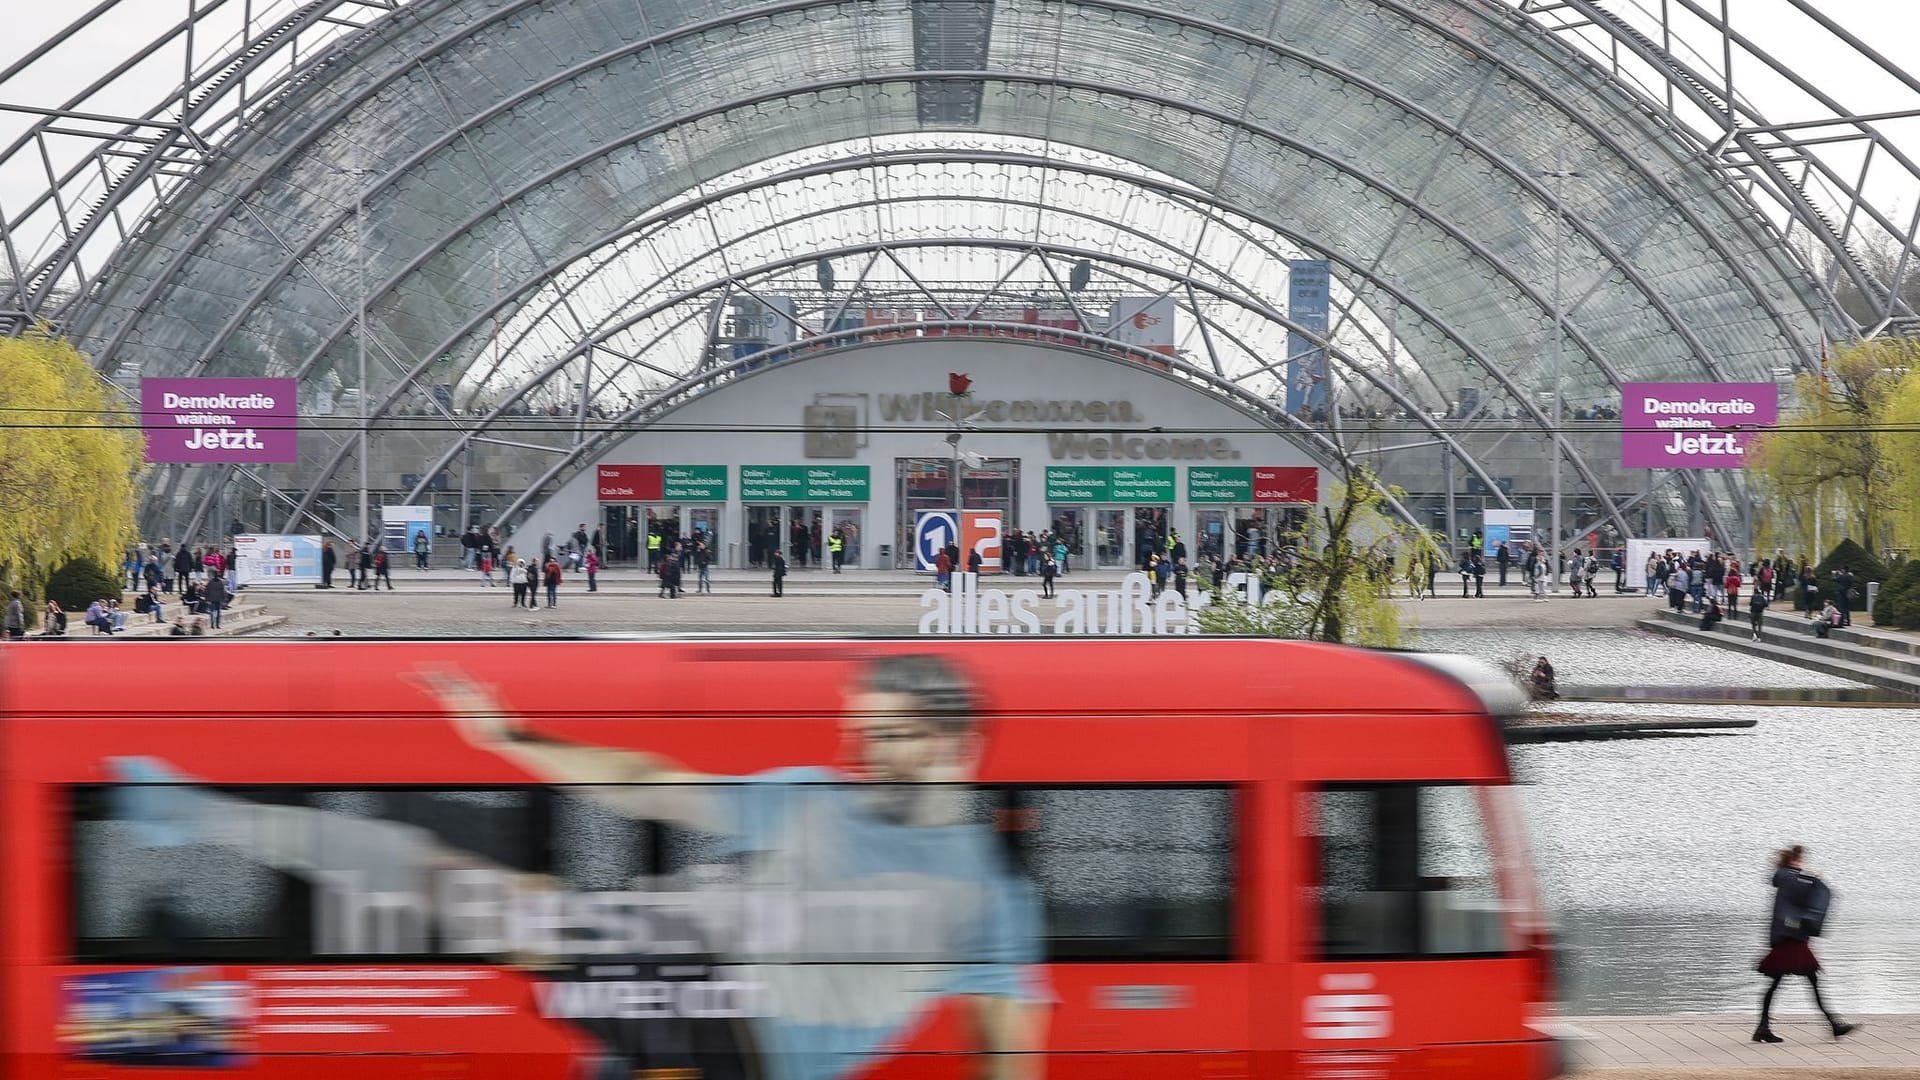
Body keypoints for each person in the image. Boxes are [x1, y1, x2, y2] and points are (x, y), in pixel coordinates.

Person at [1754, 846, 1853, 1043]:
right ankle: (1834, 1025)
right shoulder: (1790, 877)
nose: (1801, 863)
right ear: (1792, 861)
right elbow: (1804, 892)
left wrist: (1810, 880)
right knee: (1808, 983)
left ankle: (1763, 1028)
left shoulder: (1787, 878)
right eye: (1799, 860)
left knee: (1780, 984)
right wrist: (1813, 879)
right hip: (1791, 942)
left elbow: (1799, 899)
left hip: (1789, 939)